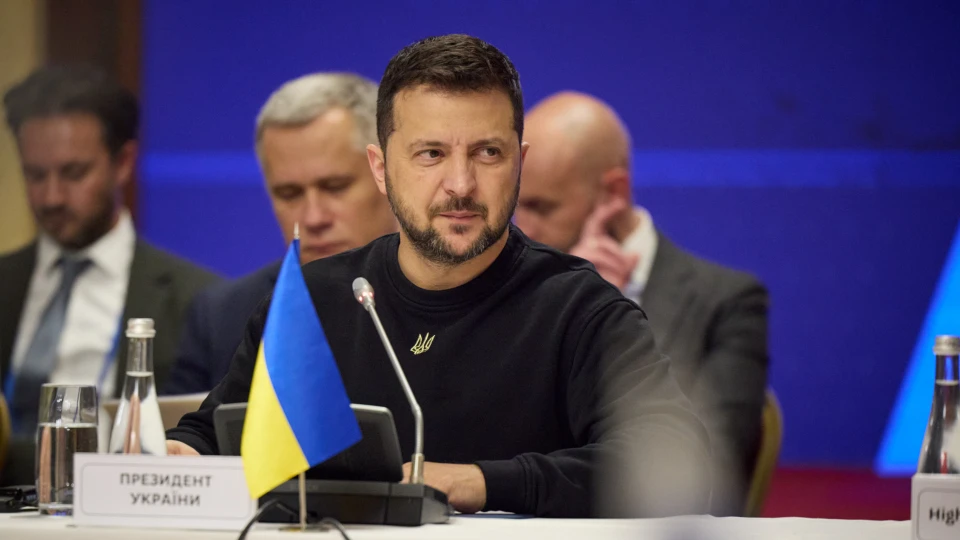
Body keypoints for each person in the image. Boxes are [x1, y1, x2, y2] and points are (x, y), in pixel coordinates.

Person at [166, 34, 710, 518]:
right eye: (431, 154)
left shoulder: (580, 308)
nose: (460, 184)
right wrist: (176, 454)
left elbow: (672, 464)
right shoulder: (315, 299)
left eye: (488, 153)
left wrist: (478, 482)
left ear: (519, 163)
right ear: (381, 168)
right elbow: (212, 433)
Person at [515, 91, 769, 515]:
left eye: (542, 207)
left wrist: (605, 318)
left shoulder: (729, 302)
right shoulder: (520, 290)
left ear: (613, 192)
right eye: (517, 206)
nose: (524, 228)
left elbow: (710, 467)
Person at [0, 66, 220, 484]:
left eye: (73, 173)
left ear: (122, 163)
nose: (51, 197)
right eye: (35, 175)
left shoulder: (199, 299)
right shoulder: (5, 282)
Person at [163, 73, 396, 395]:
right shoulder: (221, 317)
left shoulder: (448, 298)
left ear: (386, 173)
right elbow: (179, 424)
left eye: (335, 187)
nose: (313, 218)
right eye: (289, 194)